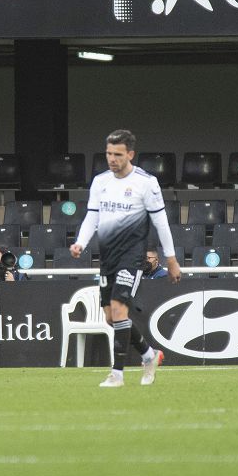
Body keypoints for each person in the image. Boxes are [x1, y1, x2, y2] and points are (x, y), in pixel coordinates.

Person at [70, 130, 181, 388]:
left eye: (117, 154)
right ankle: (149, 355)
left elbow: (161, 222)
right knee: (111, 317)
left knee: (120, 309)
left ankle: (116, 375)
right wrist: (81, 242)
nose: (112, 159)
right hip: (108, 256)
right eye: (109, 153)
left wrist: (171, 258)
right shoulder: (100, 181)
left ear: (130, 154)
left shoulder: (146, 182)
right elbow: (92, 217)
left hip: (132, 256)